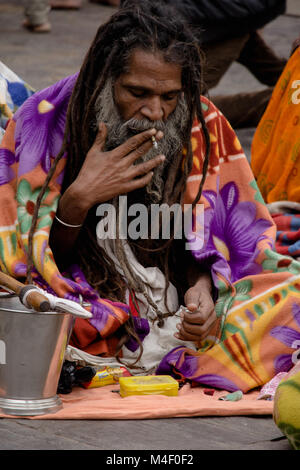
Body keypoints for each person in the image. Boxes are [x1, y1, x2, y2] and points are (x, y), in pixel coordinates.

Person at [1, 1, 300, 393]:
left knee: (290, 300)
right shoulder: (42, 121)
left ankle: (183, 351)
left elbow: (223, 241)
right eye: (137, 92)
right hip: (87, 300)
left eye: (170, 96)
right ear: (104, 78)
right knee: (35, 320)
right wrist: (78, 200)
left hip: (173, 304)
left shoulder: (202, 122)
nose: (156, 111)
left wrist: (204, 289)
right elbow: (27, 259)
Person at [153, 0, 287, 128]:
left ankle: (282, 104)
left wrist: (168, 12)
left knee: (180, 108)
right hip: (206, 18)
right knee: (280, 73)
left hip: (217, 19)